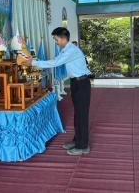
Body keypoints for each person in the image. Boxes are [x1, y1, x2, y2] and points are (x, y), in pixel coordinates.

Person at [24, 27, 92, 156]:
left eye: (56, 39)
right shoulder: (65, 50)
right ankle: (78, 140)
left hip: (82, 84)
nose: (56, 42)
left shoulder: (71, 50)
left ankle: (83, 146)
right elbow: (55, 61)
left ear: (62, 38)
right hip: (76, 83)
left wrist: (32, 62)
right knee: (78, 114)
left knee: (82, 115)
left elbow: (55, 63)